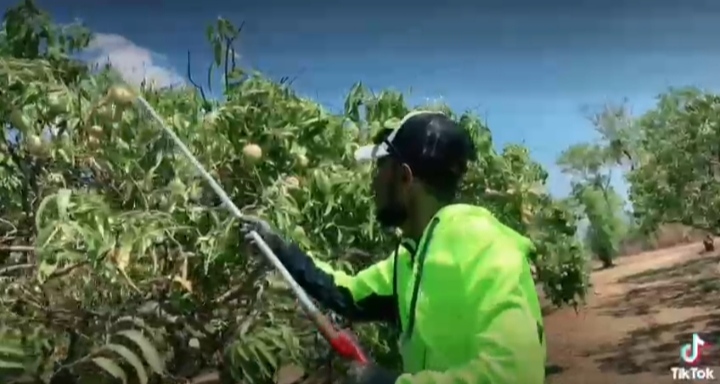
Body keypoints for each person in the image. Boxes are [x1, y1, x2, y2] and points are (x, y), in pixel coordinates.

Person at [240, 110, 546, 384]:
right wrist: (280, 248)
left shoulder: (485, 244)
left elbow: (515, 374)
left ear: (404, 177)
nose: (373, 183)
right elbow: (347, 293)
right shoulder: (410, 257)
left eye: (380, 169)